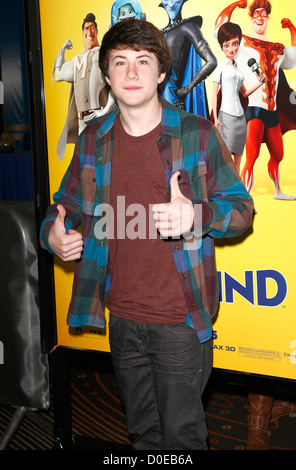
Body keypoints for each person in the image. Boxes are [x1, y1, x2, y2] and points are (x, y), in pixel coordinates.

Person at [40, 18, 254, 450]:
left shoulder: (195, 133)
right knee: (142, 436)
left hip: (180, 321)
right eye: (119, 62)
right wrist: (53, 235)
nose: (131, 73)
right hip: (120, 318)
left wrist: (195, 214)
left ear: (161, 74)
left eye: (143, 61)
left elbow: (242, 211)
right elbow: (62, 207)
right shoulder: (93, 139)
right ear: (107, 75)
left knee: (182, 438)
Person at [214, 0, 296, 199]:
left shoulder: (278, 48)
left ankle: (277, 191)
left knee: (278, 155)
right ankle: (244, 198)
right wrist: (235, 5)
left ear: (268, 18)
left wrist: (292, 29)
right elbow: (219, 29)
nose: (259, 17)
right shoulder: (242, 43)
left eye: (263, 14)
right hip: (254, 110)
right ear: (251, 19)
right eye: (255, 14)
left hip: (273, 111)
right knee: (251, 156)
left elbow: (293, 59)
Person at [52, 13, 115, 160]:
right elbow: (59, 74)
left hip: (99, 119)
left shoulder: (103, 54)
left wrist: (106, 110)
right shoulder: (77, 61)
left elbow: (116, 85)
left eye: (92, 28)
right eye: (87, 28)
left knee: (103, 161)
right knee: (85, 165)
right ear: (83, 32)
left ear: (97, 31)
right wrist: (62, 50)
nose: (90, 32)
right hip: (82, 123)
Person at [212, 22, 265, 173]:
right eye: (226, 45)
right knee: (224, 156)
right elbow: (214, 95)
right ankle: (224, 190)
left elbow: (245, 93)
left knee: (238, 156)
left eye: (234, 44)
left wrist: (259, 83)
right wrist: (215, 118)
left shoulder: (238, 69)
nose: (231, 49)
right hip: (225, 117)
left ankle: (238, 190)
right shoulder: (220, 67)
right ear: (221, 46)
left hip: (240, 118)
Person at [160, 0, 217, 116]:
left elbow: (212, 61)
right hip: (155, 104)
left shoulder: (188, 27)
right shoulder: (158, 33)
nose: (171, 4)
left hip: (174, 102)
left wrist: (187, 89)